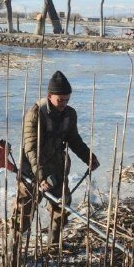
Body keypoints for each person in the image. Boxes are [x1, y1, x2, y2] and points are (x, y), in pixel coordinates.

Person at [13, 70, 100, 247]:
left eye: (67, 100)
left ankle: (53, 245)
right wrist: (41, 176)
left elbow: (74, 139)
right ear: (50, 96)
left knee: (61, 207)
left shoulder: (69, 114)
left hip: (57, 169)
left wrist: (88, 157)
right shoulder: (35, 114)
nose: (64, 104)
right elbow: (31, 148)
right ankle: (12, 252)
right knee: (24, 213)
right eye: (60, 100)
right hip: (32, 171)